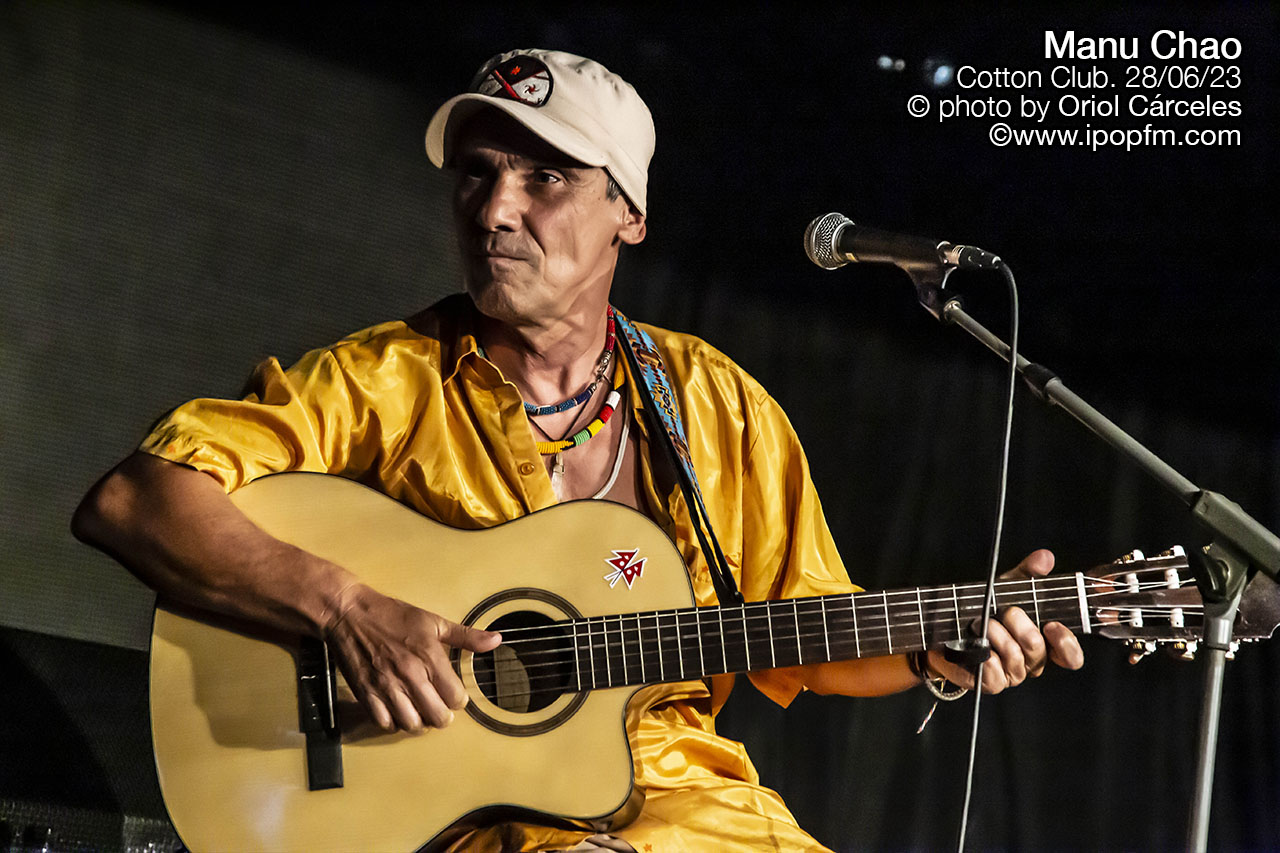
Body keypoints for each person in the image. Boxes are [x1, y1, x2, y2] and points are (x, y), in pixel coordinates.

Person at [73, 48, 1084, 851]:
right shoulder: (379, 380)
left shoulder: (716, 404)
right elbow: (134, 500)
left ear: (627, 215)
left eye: (544, 176)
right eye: (476, 174)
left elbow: (806, 630)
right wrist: (346, 610)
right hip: (451, 817)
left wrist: (938, 647)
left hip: (687, 808)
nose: (494, 210)